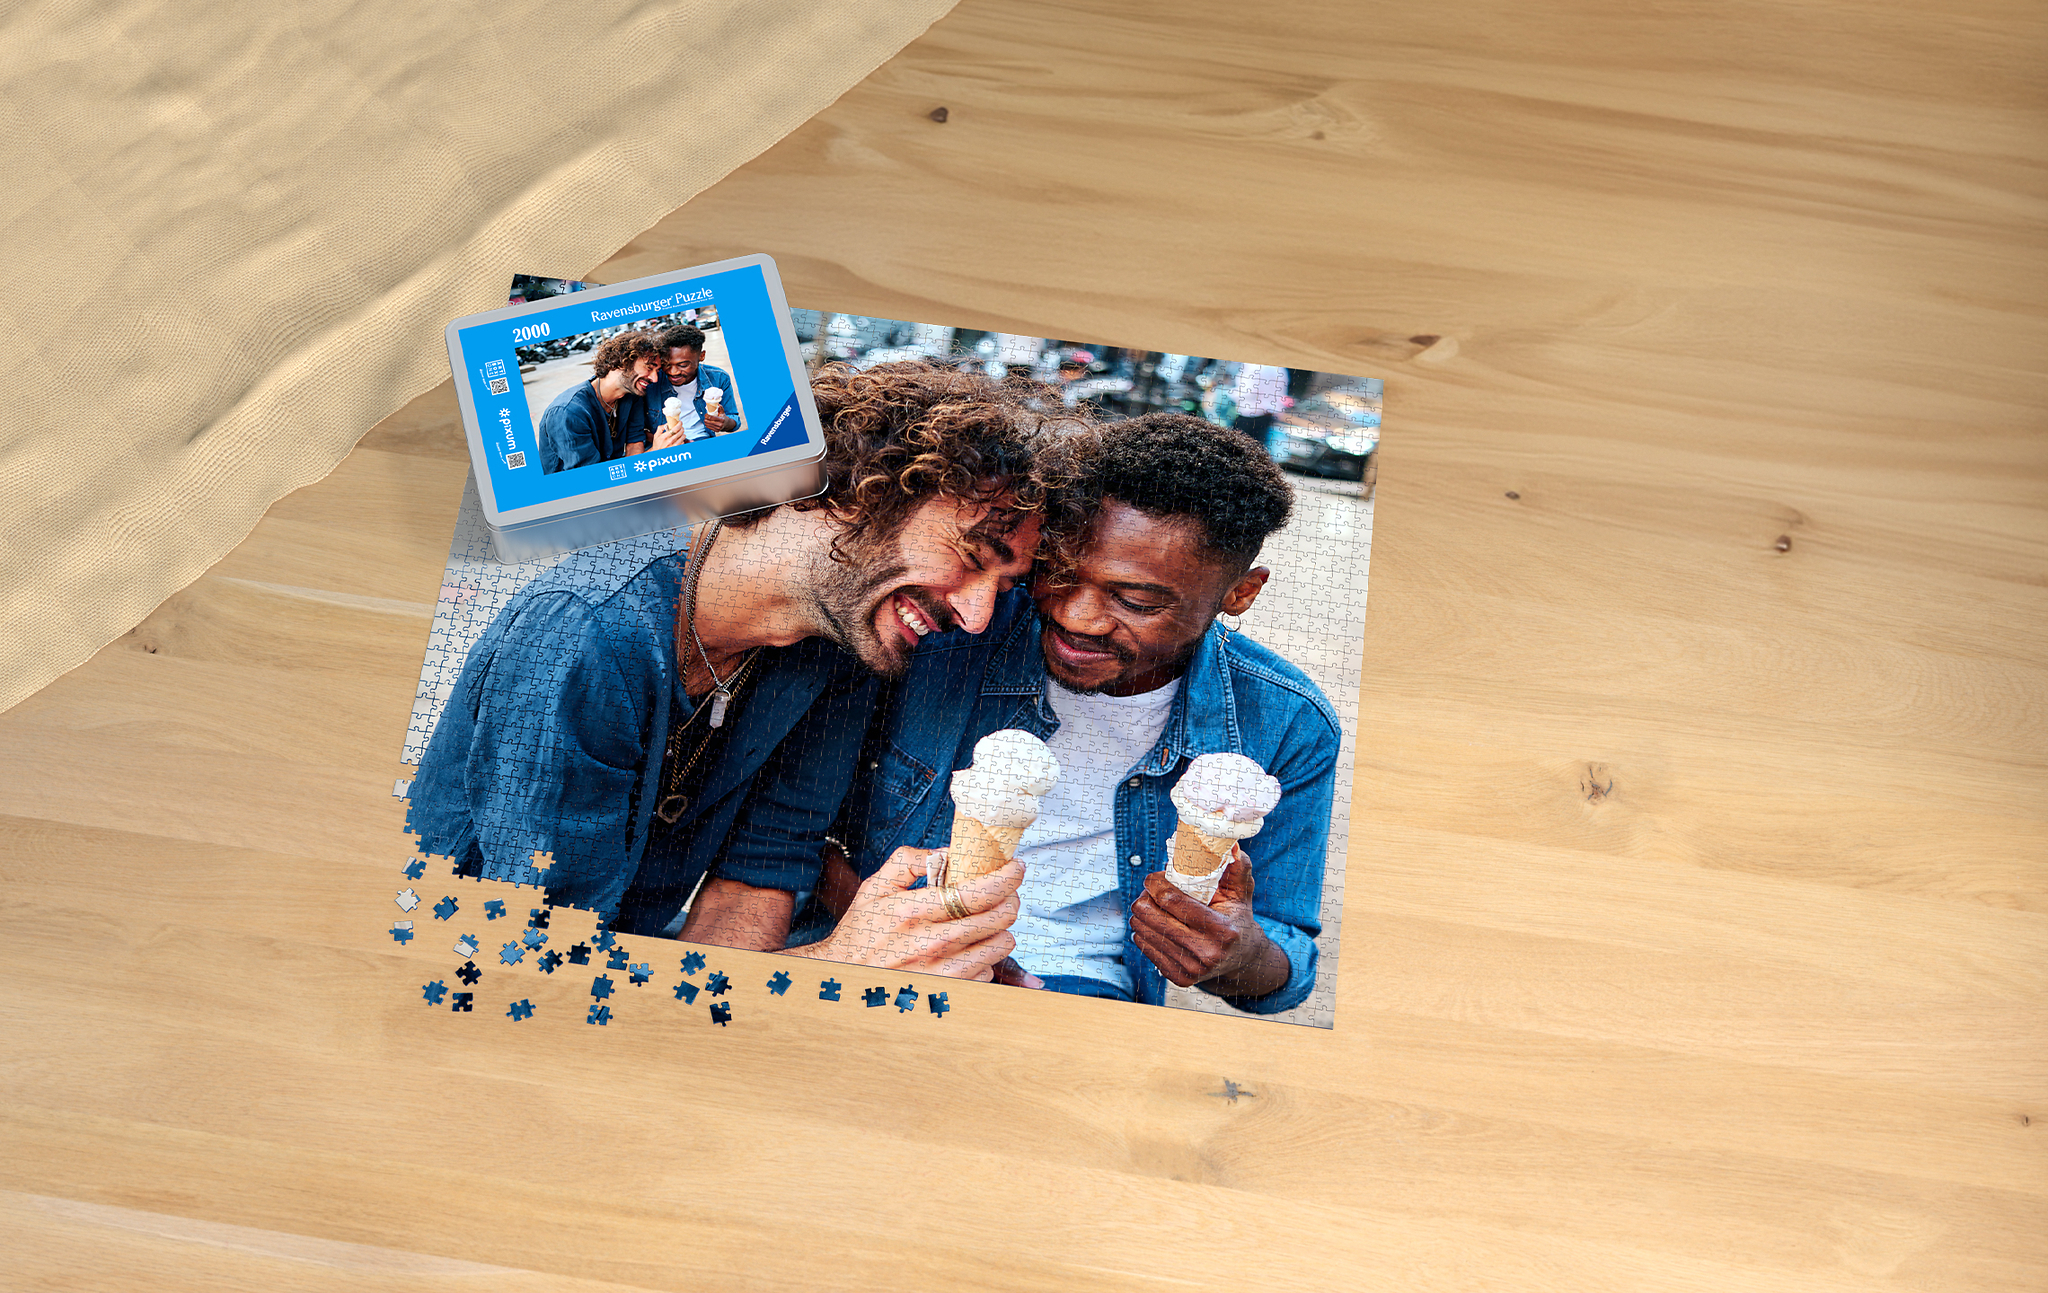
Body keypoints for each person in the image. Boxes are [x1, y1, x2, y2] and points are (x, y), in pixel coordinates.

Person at [408, 362, 1076, 977]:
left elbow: (760, 873)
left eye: (1004, 584)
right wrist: (841, 961)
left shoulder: (839, 643)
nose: (979, 614)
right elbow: (539, 964)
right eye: (974, 555)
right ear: (858, 490)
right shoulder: (587, 633)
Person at [794, 412, 1339, 1015]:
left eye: (1133, 601)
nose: (1077, 617)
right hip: (874, 953)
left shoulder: (1287, 721)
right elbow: (796, 836)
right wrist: (947, 941)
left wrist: (1239, 956)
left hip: (1080, 992)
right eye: (1055, 573)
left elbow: (1283, 961)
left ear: (1240, 593)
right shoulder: (946, 634)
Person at [535, 331, 661, 473]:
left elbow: (635, 440)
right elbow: (592, 478)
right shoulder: (568, 413)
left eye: (657, 370)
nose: (655, 379)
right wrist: (654, 454)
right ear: (622, 362)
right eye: (649, 367)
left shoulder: (632, 395)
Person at [644, 322, 740, 448]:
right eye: (666, 364)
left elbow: (733, 419)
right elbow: (639, 432)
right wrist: (675, 440)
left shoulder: (719, 378)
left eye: (683, 365)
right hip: (663, 445)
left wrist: (725, 422)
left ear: (701, 356)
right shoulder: (652, 382)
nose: (673, 372)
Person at [1230, 362, 1291, 456]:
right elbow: (1281, 395)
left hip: (1249, 416)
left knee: (1237, 452)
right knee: (1257, 453)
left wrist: (1227, 393)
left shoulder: (1253, 366)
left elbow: (1249, 391)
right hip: (1267, 416)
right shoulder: (1280, 369)